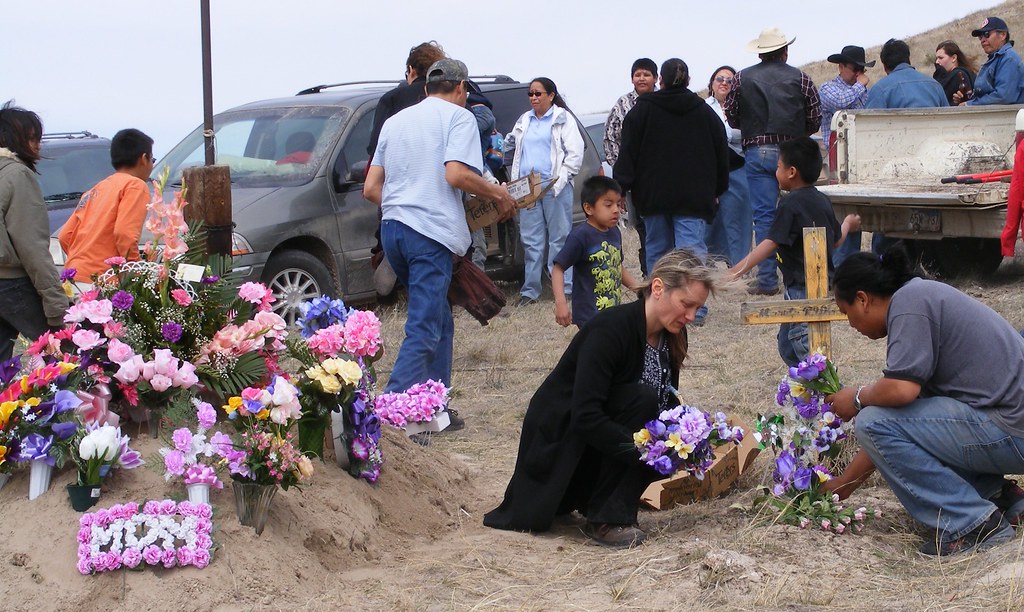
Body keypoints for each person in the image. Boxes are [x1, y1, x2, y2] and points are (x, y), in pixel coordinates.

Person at [483, 249, 720, 547]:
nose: (691, 316)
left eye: (697, 308)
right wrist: (643, 451)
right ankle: (608, 519)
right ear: (658, 288)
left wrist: (685, 442)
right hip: (561, 448)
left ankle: (609, 504)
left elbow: (666, 404)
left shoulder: (673, 336)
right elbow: (584, 416)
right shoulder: (610, 330)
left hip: (605, 444)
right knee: (644, 404)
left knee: (660, 422)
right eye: (686, 305)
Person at [822, 246, 1024, 556]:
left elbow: (897, 396)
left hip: (1011, 431)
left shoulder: (909, 304)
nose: (851, 325)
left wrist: (859, 397)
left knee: (871, 419)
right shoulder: (920, 297)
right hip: (1010, 428)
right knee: (886, 420)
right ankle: (1001, 498)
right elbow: (908, 421)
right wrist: (846, 483)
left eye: (846, 313)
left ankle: (972, 524)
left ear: (862, 299)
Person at [363, 59, 515, 431]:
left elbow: (370, 189)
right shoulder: (458, 117)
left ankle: (435, 407)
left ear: (426, 87)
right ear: (461, 88)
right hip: (429, 235)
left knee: (440, 319)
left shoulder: (395, 122)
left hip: (394, 229)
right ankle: (390, 419)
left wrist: (406, 203)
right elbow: (456, 173)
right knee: (425, 326)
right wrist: (497, 193)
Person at [616, 58, 729, 326]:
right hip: (693, 197)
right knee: (691, 252)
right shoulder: (704, 112)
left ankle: (659, 306)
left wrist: (620, 188)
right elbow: (721, 152)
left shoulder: (641, 112)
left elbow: (627, 153)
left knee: (658, 251)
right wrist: (718, 188)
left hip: (653, 197)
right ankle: (695, 310)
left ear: (660, 81)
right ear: (688, 81)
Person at [728, 137, 858, 366]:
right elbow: (836, 242)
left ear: (791, 172)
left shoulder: (789, 204)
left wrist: (737, 270)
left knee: (805, 344)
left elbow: (770, 243)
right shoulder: (822, 200)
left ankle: (824, 387)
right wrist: (847, 223)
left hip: (800, 286)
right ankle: (803, 385)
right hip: (819, 284)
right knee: (788, 347)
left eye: (778, 167)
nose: (775, 171)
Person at [725, 27, 821, 296]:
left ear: (760, 52)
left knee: (764, 218)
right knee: (803, 212)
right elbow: (815, 116)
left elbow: (732, 116)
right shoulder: (800, 78)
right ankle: (808, 274)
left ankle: (767, 279)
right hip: (792, 152)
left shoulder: (742, 78)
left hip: (757, 151)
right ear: (785, 52)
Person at [366, 41, 447, 297]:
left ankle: (397, 282)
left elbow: (375, 152)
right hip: (440, 195)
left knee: (399, 250)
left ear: (411, 69)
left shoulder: (392, 100)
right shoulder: (448, 103)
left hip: (399, 196)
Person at [0, 101, 69, 362]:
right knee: (66, 352)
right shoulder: (17, 175)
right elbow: (32, 247)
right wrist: (56, 306)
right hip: (11, 283)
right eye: (31, 138)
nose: (38, 145)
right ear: (12, 140)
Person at [506, 77, 585, 307]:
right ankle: (530, 291)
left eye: (538, 93)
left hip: (554, 186)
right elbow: (513, 148)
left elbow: (575, 153)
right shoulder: (524, 120)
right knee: (531, 240)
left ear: (551, 95)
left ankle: (565, 287)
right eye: (530, 94)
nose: (534, 98)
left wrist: (561, 180)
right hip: (528, 188)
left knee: (560, 238)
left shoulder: (563, 118)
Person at [58, 128, 155, 284]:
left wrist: (84, 262)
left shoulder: (95, 190)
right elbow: (125, 234)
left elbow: (65, 236)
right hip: (103, 279)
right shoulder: (135, 185)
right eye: (153, 160)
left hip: (73, 277)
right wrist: (136, 273)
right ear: (144, 158)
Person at [551, 176, 638, 328]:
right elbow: (558, 269)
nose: (616, 210)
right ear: (588, 208)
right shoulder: (580, 236)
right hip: (589, 316)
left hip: (613, 312)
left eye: (618, 204)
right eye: (608, 205)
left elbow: (617, 266)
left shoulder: (615, 232)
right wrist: (561, 303)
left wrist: (639, 288)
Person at [819, 45, 873, 267]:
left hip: (861, 157)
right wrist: (860, 86)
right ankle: (838, 265)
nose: (859, 74)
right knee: (840, 212)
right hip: (836, 159)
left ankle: (850, 264)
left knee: (856, 211)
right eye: (854, 68)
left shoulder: (861, 90)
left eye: (861, 69)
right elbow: (840, 103)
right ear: (841, 67)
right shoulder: (827, 89)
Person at [604, 58, 658, 277]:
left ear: (656, 78)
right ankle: (647, 271)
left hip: (659, 177)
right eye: (638, 74)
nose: (642, 78)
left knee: (657, 225)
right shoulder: (623, 104)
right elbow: (610, 138)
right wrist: (622, 170)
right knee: (641, 226)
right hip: (634, 180)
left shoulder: (662, 101)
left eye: (646, 74)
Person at [703, 65, 752, 268]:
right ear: (712, 84)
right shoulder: (704, 107)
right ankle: (707, 262)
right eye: (719, 78)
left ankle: (739, 265)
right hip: (710, 170)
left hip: (738, 168)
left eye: (729, 80)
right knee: (710, 220)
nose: (724, 82)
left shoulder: (744, 108)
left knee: (738, 219)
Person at [959, 17, 1024, 106]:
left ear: (1003, 35)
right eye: (980, 37)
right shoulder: (995, 59)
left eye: (986, 34)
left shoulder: (1009, 59)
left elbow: (1004, 96)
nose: (982, 40)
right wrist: (966, 99)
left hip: (1006, 118)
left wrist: (970, 104)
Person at [866, 39, 947, 109]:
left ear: (885, 67)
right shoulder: (935, 85)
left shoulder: (880, 89)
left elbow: (869, 124)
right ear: (908, 59)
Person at [933, 40, 977, 106]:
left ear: (954, 58)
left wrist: (939, 75)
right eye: (936, 58)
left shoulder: (956, 75)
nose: (937, 62)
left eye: (941, 58)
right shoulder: (968, 72)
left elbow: (937, 95)